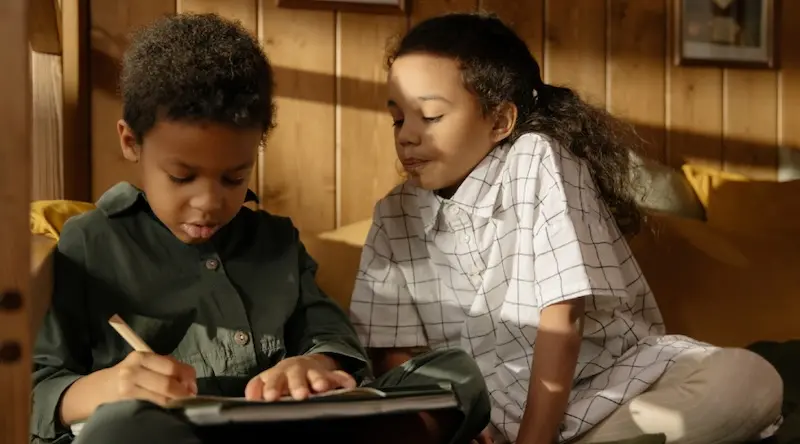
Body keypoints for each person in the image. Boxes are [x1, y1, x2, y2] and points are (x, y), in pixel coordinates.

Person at [30, 13, 489, 444]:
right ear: (131, 141)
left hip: (280, 430)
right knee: (120, 425)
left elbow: (331, 334)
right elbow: (31, 390)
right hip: (166, 433)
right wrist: (105, 387)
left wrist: (314, 363)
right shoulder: (89, 242)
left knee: (456, 375)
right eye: (182, 176)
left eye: (234, 177)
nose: (210, 202)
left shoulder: (276, 242)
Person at [348, 12, 784, 444]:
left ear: (500, 121)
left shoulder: (535, 159)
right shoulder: (393, 214)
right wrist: (455, 419)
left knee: (751, 379)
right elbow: (393, 353)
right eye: (398, 118)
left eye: (430, 116)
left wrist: (535, 439)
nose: (406, 135)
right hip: (482, 415)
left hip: (606, 390)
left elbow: (563, 317)